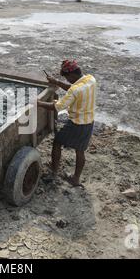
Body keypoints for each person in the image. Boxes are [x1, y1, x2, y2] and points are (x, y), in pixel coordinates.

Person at [38, 60, 96, 188]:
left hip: (77, 124)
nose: (67, 80)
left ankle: (53, 171)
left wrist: (37, 103)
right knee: (80, 150)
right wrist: (57, 82)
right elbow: (73, 88)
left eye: (67, 78)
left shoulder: (75, 90)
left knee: (57, 141)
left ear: (71, 75)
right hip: (89, 122)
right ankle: (75, 179)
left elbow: (57, 107)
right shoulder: (91, 79)